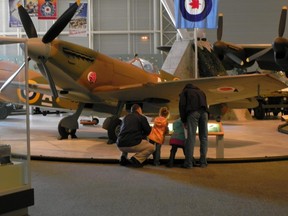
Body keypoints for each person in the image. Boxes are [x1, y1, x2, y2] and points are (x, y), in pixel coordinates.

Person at [179, 83, 209, 168]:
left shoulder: (185, 92)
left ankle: (188, 163)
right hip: (204, 113)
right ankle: (203, 162)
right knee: (204, 138)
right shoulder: (201, 92)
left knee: (191, 138)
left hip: (193, 113)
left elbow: (182, 106)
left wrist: (184, 120)